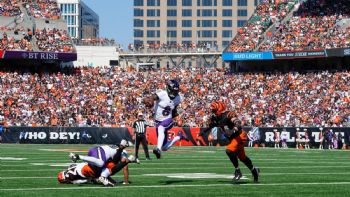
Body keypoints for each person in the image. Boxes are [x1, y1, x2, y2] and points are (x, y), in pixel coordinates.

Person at [200, 100, 259, 182]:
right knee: (242, 158)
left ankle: (238, 171)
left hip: (239, 135)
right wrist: (203, 132)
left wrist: (234, 129)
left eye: (214, 110)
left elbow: (237, 122)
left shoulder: (227, 115)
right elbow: (211, 125)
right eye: (212, 111)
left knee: (229, 151)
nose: (213, 113)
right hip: (233, 138)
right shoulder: (216, 118)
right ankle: (254, 170)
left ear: (220, 109)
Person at [143, 80, 189, 159]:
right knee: (164, 147)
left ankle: (157, 149)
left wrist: (178, 112)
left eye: (176, 91)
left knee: (161, 128)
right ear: (168, 88)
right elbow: (152, 97)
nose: (174, 93)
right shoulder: (162, 94)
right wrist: (149, 101)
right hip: (158, 121)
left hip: (168, 120)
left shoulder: (178, 98)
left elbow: (174, 110)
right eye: (173, 91)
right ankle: (179, 136)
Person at [69, 139, 136, 186]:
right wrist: (126, 181)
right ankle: (78, 156)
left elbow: (109, 170)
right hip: (99, 151)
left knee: (104, 169)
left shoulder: (116, 151)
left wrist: (112, 181)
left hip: (95, 152)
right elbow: (124, 165)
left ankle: (102, 177)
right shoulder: (123, 152)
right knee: (101, 163)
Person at [58, 149, 134, 186]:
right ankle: (127, 161)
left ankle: (127, 161)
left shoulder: (70, 178)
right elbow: (73, 165)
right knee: (109, 167)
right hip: (86, 165)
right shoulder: (69, 168)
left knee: (107, 169)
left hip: (85, 171)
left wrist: (90, 180)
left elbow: (81, 181)